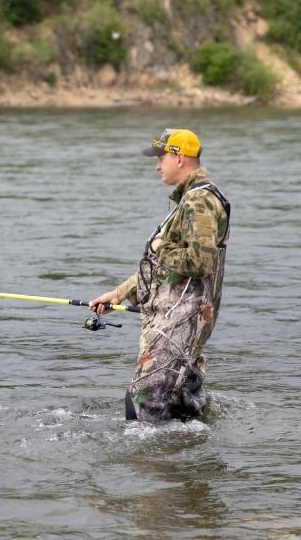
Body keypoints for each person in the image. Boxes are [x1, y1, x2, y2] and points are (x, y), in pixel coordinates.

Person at [89, 128, 230, 422]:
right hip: (178, 324)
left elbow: (199, 262)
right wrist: (120, 293)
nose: (157, 165)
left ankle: (152, 464)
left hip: (178, 325)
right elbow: (165, 270)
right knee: (181, 408)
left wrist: (161, 246)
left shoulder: (199, 201)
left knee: (144, 402)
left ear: (179, 158)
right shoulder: (190, 199)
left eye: (161, 157)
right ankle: (182, 460)